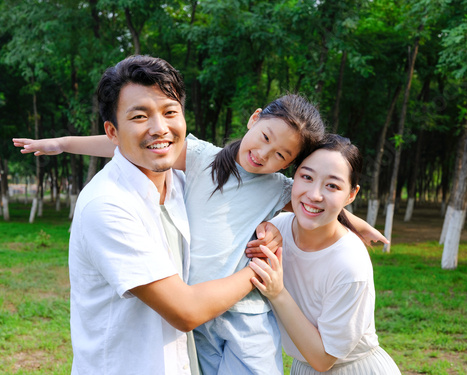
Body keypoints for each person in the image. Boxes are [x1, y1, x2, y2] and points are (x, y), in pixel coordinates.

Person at [14, 96, 388, 374]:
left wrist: (358, 225)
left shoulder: (278, 187)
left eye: (280, 154)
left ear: (289, 164)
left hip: (247, 316)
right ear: (254, 119)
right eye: (264, 138)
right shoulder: (200, 158)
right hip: (201, 316)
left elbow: (319, 201)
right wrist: (62, 144)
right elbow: (125, 144)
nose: (264, 154)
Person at [16, 54, 285, 375]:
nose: (160, 128)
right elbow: (186, 311)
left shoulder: (182, 184)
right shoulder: (107, 206)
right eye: (140, 116)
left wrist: (272, 228)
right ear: (112, 131)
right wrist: (259, 271)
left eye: (170, 112)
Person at [248, 134, 401, 374]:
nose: (314, 194)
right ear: (293, 179)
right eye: (306, 177)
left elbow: (323, 359)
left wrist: (277, 293)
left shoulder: (350, 264)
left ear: (351, 194)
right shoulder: (278, 227)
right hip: (302, 366)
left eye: (332, 185)